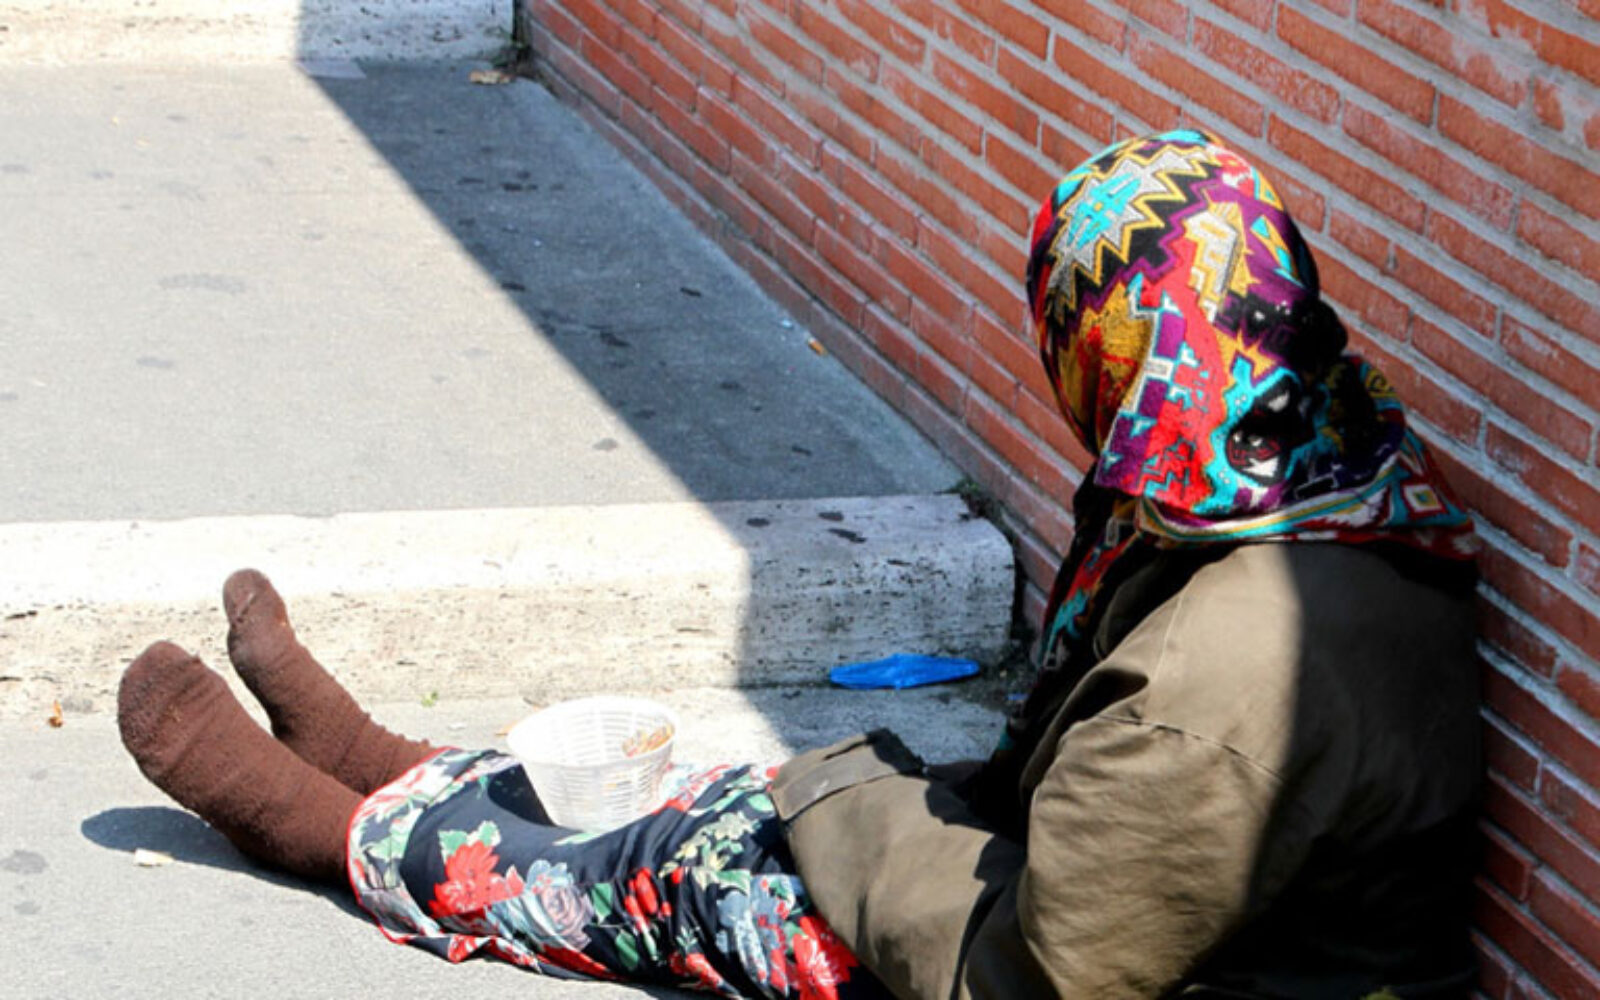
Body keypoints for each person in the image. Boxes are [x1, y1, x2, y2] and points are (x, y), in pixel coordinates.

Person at [118, 129, 1483, 999]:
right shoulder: (1295, 457)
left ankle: (332, 831)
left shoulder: (1224, 677)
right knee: (729, 802)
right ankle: (391, 761)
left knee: (686, 875)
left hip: (1104, 967)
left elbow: (1036, 974)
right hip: (1133, 909)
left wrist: (847, 812)